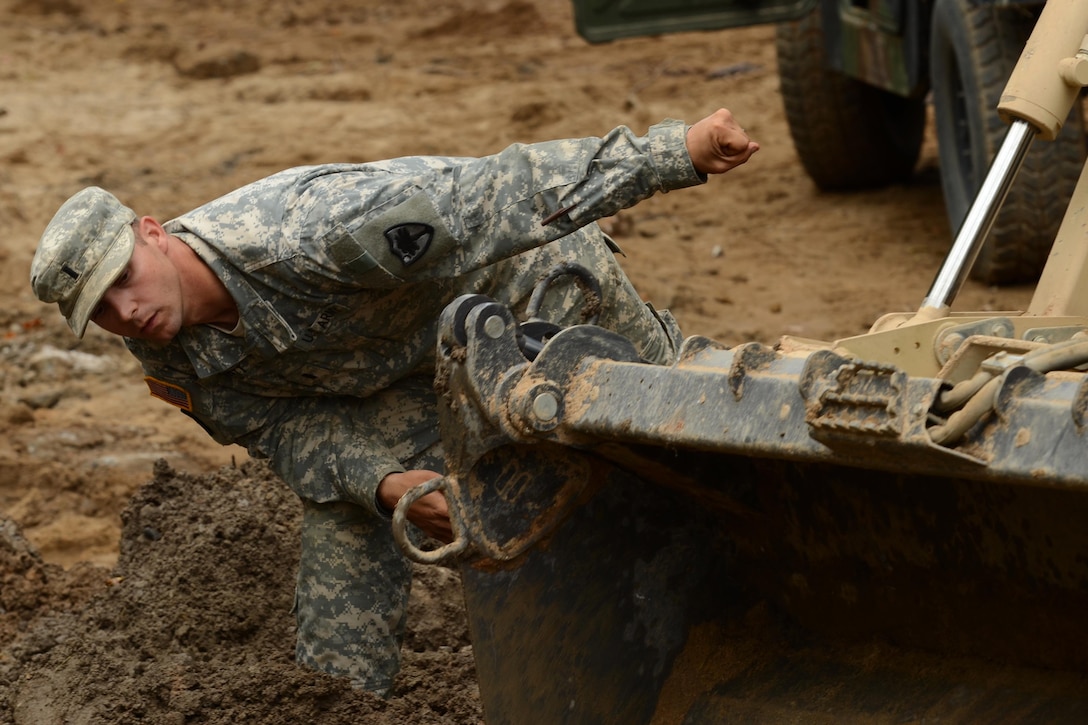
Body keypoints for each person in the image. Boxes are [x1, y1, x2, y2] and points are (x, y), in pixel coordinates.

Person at [29, 108, 758, 693]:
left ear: (152, 234)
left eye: (125, 278)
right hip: (412, 372)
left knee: (687, 427)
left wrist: (675, 153)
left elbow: (503, 194)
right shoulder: (159, 344)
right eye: (103, 310)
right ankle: (338, 700)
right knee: (347, 505)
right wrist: (382, 485)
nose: (127, 311)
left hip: (529, 289)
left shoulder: (305, 235)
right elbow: (282, 430)